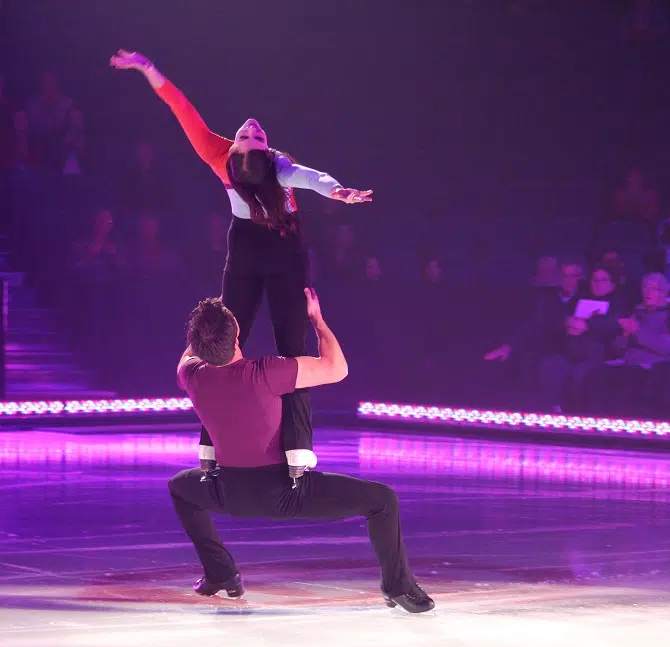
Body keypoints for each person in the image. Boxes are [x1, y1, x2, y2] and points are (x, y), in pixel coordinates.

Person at [111, 50, 372, 480]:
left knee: (293, 346)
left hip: (287, 253)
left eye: (255, 137)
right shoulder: (232, 157)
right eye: (253, 138)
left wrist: (339, 191)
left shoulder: (269, 164)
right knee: (222, 346)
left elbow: (313, 177)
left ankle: (298, 451)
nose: (252, 131)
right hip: (247, 253)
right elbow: (182, 109)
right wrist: (146, 68)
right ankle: (210, 449)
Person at [171, 288, 434, 613]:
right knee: (383, 501)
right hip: (283, 493)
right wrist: (317, 321)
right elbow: (337, 368)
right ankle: (399, 587)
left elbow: (190, 353)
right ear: (237, 333)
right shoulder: (266, 373)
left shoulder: (191, 375)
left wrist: (206, 327)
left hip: (226, 491)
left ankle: (221, 573)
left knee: (180, 488)